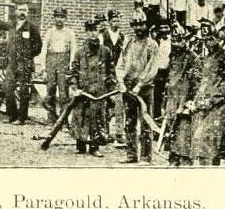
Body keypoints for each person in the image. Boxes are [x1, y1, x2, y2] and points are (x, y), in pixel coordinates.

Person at [188, 24, 225, 166]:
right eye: (205, 40)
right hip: (202, 103)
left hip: (217, 106)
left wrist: (214, 99)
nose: (208, 43)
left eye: (211, 39)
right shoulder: (207, 57)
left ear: (217, 39)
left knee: (207, 139)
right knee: (205, 143)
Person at [0, 3, 42, 125]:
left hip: (25, 64)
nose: (22, 13)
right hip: (12, 63)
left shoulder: (32, 27)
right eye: (20, 10)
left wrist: (28, 55)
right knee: (7, 88)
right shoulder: (12, 25)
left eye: (24, 10)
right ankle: (12, 115)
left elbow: (38, 46)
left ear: (28, 13)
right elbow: (0, 24)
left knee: (23, 91)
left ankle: (22, 118)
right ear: (16, 12)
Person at [116, 18, 160, 163]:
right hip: (128, 88)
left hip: (145, 89)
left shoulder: (152, 45)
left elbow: (151, 68)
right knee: (129, 122)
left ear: (146, 25)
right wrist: (121, 81)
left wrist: (140, 85)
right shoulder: (128, 43)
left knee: (146, 123)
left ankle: (146, 157)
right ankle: (131, 155)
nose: (139, 28)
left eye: (142, 24)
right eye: (136, 25)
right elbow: (120, 63)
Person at [68, 23, 113, 157]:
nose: (93, 34)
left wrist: (109, 90)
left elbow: (111, 72)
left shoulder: (105, 51)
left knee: (97, 119)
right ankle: (80, 145)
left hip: (99, 92)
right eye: (91, 31)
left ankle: (94, 147)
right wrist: (75, 88)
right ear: (86, 33)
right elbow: (73, 73)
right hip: (83, 91)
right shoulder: (80, 53)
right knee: (80, 117)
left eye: (96, 31)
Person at [163, 27, 201, 166]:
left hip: (185, 101)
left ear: (186, 40)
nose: (177, 43)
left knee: (184, 130)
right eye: (174, 41)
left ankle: (185, 160)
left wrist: (190, 102)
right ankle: (173, 159)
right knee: (171, 129)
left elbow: (196, 83)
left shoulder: (193, 58)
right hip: (172, 98)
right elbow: (169, 78)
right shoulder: (173, 56)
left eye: (180, 40)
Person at [42, 7, 77, 123]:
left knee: (63, 93)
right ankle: (51, 119)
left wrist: (71, 66)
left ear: (65, 19)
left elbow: (73, 50)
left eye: (62, 17)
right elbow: (44, 51)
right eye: (57, 17)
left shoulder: (70, 33)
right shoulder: (49, 32)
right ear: (54, 18)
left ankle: (63, 121)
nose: (59, 19)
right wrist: (44, 69)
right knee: (50, 91)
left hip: (64, 62)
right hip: (51, 62)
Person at [98, 9, 127, 145]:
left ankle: (119, 132)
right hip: (105, 72)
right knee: (104, 101)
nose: (116, 22)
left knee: (119, 103)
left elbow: (125, 56)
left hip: (118, 73)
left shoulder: (123, 37)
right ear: (109, 22)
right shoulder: (102, 36)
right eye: (114, 20)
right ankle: (105, 132)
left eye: (118, 20)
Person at [151, 22, 173, 120]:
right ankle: (157, 115)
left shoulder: (172, 41)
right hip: (158, 71)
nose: (164, 31)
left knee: (170, 94)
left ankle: (169, 116)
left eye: (166, 27)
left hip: (169, 70)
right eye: (162, 28)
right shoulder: (155, 42)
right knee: (157, 94)